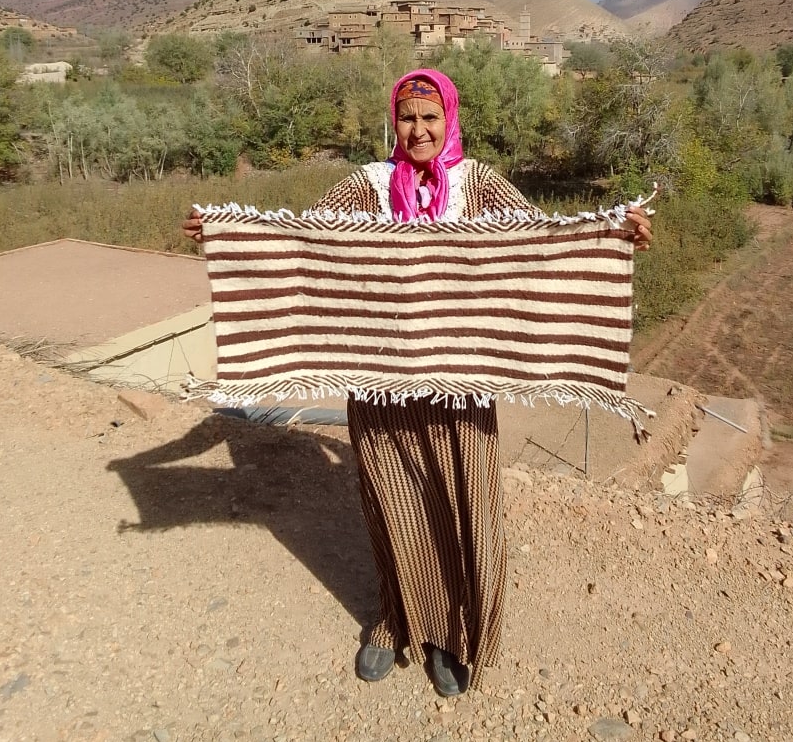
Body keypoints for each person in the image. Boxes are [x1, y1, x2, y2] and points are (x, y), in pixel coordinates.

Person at [183, 67, 652, 696]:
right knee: (393, 506)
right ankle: (394, 618)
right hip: (380, 385)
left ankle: (452, 631)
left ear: (449, 118)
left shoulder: (477, 182)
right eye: (408, 117)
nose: (419, 129)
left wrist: (616, 233)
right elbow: (303, 242)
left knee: (467, 507)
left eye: (431, 117)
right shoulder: (368, 187)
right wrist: (227, 236)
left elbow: (541, 243)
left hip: (460, 386)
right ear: (394, 120)